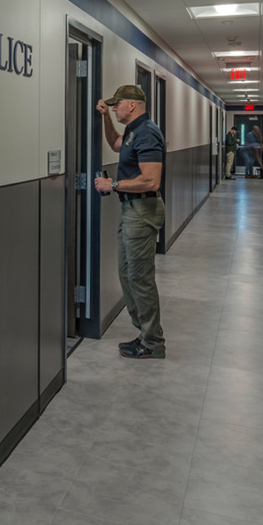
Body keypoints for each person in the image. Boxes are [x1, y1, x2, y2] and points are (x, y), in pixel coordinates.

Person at [93, 85, 166, 359]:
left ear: (132, 104)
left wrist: (113, 184)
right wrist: (105, 118)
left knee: (140, 278)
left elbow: (151, 179)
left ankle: (152, 342)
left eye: (117, 104)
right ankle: (145, 334)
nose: (114, 108)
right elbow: (115, 144)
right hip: (132, 209)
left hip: (142, 209)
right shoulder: (134, 131)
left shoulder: (146, 132)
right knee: (128, 274)